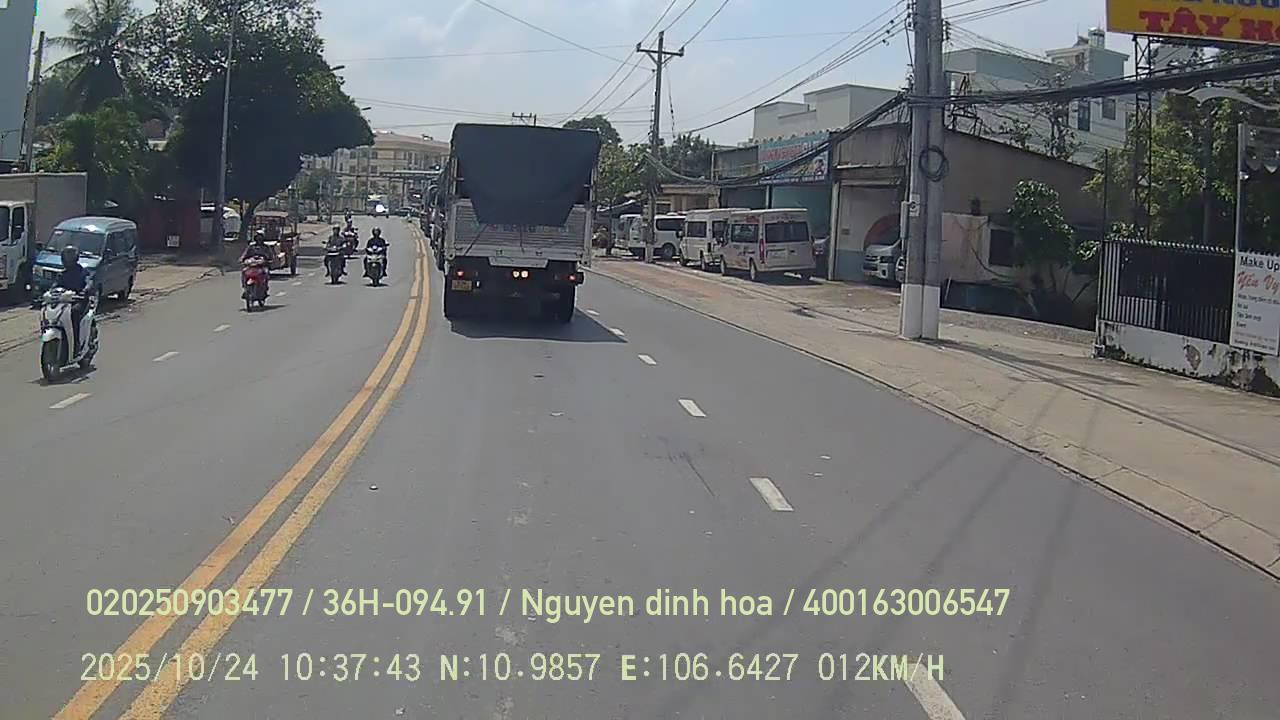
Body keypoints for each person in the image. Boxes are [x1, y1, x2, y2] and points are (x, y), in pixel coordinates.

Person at [53, 245, 91, 352]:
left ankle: (76, 343)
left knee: (74, 313)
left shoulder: (82, 272)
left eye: (70, 257)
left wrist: (85, 290)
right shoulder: (62, 274)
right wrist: (49, 293)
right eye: (66, 257)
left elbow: (89, 282)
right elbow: (55, 285)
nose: (67, 260)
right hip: (64, 302)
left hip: (79, 301)